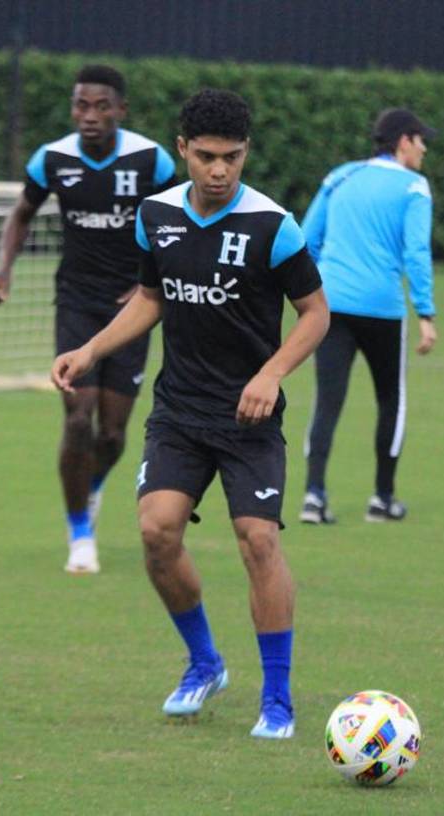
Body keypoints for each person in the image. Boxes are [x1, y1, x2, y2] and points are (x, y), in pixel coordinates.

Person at [51, 89, 329, 739]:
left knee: (259, 540)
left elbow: (316, 313)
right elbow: (152, 296)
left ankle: (278, 699)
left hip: (249, 418)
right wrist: (91, 348)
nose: (219, 170)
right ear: (183, 150)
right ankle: (204, 663)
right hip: (179, 410)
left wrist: (271, 372)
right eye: (205, 157)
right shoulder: (155, 215)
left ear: (245, 154)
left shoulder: (272, 224)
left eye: (232, 157)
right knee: (156, 534)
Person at [0, 65, 176, 575]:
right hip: (75, 303)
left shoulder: (150, 160)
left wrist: (151, 281)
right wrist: (4, 268)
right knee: (76, 418)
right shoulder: (53, 159)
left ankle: (90, 487)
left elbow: (177, 220)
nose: (90, 116)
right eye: (81, 106)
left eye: (101, 106)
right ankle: (79, 533)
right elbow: (22, 213)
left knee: (112, 435)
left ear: (121, 110)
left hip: (132, 309)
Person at [297, 108, 438, 525]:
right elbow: (416, 252)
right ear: (403, 142)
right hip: (382, 309)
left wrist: (321, 284)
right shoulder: (414, 187)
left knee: (327, 401)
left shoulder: (340, 176)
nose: (424, 148)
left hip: (332, 305)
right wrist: (426, 312)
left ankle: (313, 497)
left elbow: (307, 238)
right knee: (391, 400)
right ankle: (382, 498)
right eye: (420, 139)